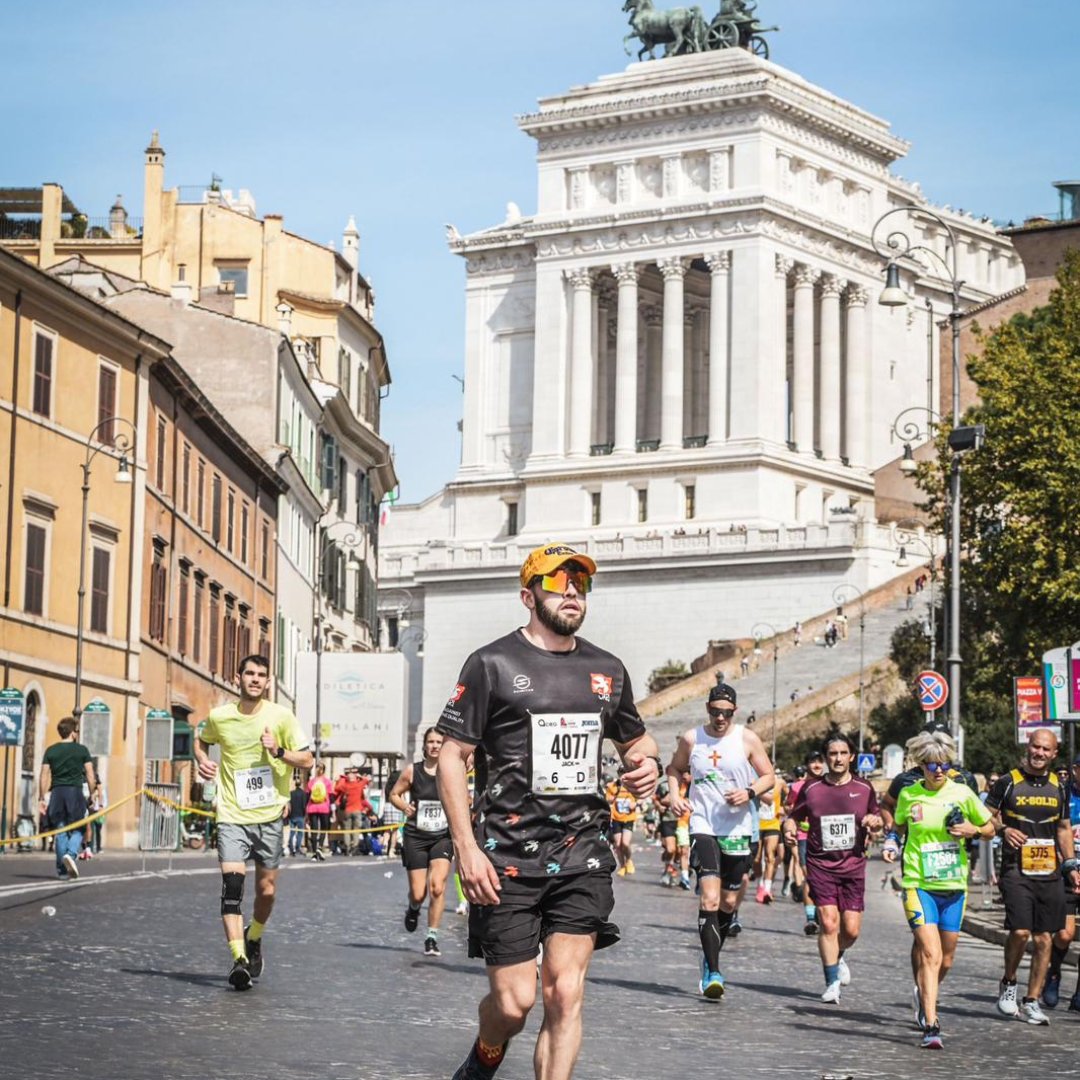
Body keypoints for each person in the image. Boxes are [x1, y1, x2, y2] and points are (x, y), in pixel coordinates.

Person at [436, 542, 660, 1080]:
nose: (572, 594)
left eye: (580, 586)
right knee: (514, 1004)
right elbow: (452, 757)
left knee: (564, 992)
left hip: (582, 852)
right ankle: (486, 1051)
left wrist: (646, 763)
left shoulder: (607, 669)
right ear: (527, 595)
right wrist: (466, 849)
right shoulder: (491, 663)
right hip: (506, 857)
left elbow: (637, 741)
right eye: (558, 585)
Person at [195, 654, 313, 991]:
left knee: (267, 890)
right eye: (250, 673)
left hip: (269, 817)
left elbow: (306, 758)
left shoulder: (281, 717)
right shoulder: (220, 717)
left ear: (267, 681)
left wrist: (278, 752)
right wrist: (203, 759)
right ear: (239, 677)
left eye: (262, 675)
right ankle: (239, 959)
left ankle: (255, 936)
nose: (255, 679)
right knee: (232, 888)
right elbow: (202, 740)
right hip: (232, 814)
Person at [883, 730, 993, 1049]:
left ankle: (923, 991)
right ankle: (932, 1024)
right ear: (921, 765)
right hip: (919, 884)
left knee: (945, 960)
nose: (939, 770)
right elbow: (899, 825)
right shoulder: (909, 794)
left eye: (944, 764)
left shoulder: (962, 793)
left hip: (954, 885)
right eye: (932, 765)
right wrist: (891, 842)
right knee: (930, 954)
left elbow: (990, 828)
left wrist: (973, 829)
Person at [667, 682, 775, 998]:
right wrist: (675, 795)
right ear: (708, 709)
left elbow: (769, 776)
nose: (720, 719)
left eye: (726, 713)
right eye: (715, 712)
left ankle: (710, 953)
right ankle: (713, 972)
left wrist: (750, 792)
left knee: (728, 902)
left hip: (738, 827)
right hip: (703, 823)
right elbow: (674, 768)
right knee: (710, 899)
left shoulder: (746, 738)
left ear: (734, 712)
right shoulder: (692, 739)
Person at [985, 729, 1080, 1025]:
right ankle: (1010, 982)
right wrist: (1003, 830)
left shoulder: (1059, 787)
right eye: (1035, 747)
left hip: (1049, 870)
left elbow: (1063, 828)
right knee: (1021, 931)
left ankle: (1031, 1000)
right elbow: (984, 815)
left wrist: (1071, 865)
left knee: (1044, 938)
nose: (1039, 753)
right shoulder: (1007, 782)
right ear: (1029, 747)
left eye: (1045, 749)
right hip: (1016, 869)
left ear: (1054, 754)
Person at [783, 733, 881, 1002]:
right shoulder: (812, 789)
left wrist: (875, 822)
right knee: (827, 923)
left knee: (851, 930)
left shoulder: (864, 788)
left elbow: (877, 817)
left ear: (851, 756)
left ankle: (838, 955)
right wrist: (788, 828)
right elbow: (793, 817)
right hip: (820, 864)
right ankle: (831, 982)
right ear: (826, 758)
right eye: (832, 754)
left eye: (842, 753)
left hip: (852, 866)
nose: (838, 759)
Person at [389, 727, 454, 957]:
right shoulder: (412, 771)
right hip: (416, 835)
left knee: (437, 886)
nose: (435, 745)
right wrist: (404, 806)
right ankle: (414, 908)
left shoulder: (451, 770)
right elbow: (394, 794)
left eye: (439, 742)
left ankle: (432, 937)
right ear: (424, 745)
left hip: (442, 836)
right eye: (431, 742)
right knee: (418, 893)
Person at [38, 717, 96, 880]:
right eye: (76, 730)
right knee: (80, 828)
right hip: (74, 793)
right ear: (72, 732)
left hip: (57, 793)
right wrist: (92, 794)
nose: (77, 733)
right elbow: (90, 775)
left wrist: (42, 798)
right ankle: (71, 853)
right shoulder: (82, 750)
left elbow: (43, 775)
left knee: (61, 830)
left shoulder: (51, 750)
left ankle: (62, 871)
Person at [1045, 754, 1080, 1010]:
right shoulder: (1062, 795)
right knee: (1065, 935)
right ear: (1075, 770)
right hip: (1066, 871)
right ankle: (1054, 973)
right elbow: (1052, 832)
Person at [786, 750, 826, 933]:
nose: (817, 765)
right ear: (807, 765)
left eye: (820, 761)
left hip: (826, 839)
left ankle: (822, 912)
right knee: (809, 876)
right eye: (813, 762)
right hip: (804, 837)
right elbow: (790, 808)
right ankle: (811, 918)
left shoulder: (830, 785)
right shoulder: (798, 788)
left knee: (824, 878)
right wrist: (792, 825)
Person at [755, 772, 787, 904]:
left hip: (773, 824)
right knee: (756, 859)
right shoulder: (754, 781)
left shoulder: (779, 782)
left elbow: (792, 795)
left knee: (770, 856)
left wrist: (784, 806)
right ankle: (760, 884)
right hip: (756, 823)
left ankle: (767, 889)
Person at [335, 766, 373, 856]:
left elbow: (337, 788)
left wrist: (343, 778)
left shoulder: (345, 786)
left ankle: (347, 848)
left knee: (347, 830)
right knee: (356, 830)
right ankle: (355, 847)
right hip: (357, 810)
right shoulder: (359, 784)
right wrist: (359, 776)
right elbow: (367, 779)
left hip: (347, 810)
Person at [605, 774, 638, 876]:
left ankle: (628, 860)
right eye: (621, 773)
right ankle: (622, 866)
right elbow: (608, 799)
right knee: (618, 845)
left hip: (628, 818)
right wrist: (614, 797)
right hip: (616, 819)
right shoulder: (614, 786)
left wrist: (635, 803)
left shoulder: (633, 786)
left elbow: (639, 797)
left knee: (625, 843)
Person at [305, 762, 332, 861]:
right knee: (324, 828)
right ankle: (320, 847)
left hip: (312, 807)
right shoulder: (327, 782)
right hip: (324, 807)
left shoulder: (311, 782)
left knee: (314, 829)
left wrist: (306, 810)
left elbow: (307, 796)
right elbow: (331, 796)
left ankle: (314, 852)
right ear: (324, 771)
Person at [287, 778, 307, 857]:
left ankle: (292, 849)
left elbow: (289, 805)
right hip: (300, 815)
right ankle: (298, 847)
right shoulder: (303, 793)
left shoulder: (291, 793)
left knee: (291, 833)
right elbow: (304, 805)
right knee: (300, 833)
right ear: (301, 784)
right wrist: (304, 814)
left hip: (292, 815)